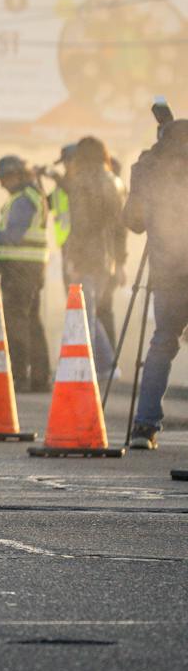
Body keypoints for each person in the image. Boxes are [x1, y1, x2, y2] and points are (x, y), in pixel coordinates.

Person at [123, 119, 188, 449]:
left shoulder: (151, 167)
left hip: (167, 272)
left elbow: (133, 223)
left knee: (163, 341)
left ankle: (144, 427)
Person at [0, 155, 51, 392]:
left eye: (4, 178)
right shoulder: (31, 196)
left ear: (17, 175)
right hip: (31, 269)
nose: (2, 184)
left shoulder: (23, 200)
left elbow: (13, 237)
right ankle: (39, 377)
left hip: (20, 270)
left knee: (16, 322)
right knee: (32, 322)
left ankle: (20, 376)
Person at [56, 136, 126, 387]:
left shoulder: (82, 182)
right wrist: (121, 261)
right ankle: (104, 364)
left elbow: (80, 225)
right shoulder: (113, 181)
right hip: (106, 258)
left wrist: (73, 259)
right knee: (92, 309)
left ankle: (104, 364)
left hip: (86, 255)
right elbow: (120, 226)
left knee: (85, 311)